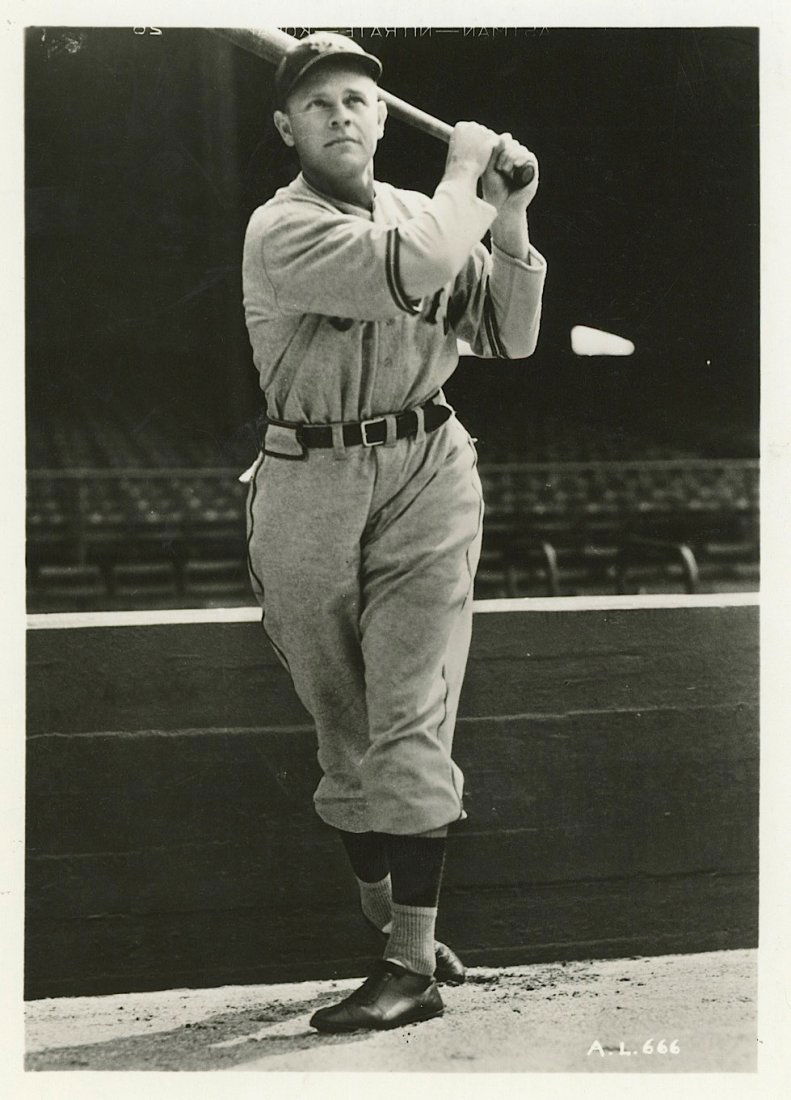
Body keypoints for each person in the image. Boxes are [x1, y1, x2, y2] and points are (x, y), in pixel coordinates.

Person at [242, 31, 546, 1032]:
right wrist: (465, 173)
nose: (339, 112)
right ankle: (389, 921)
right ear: (286, 127)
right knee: (346, 735)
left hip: (426, 470)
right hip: (307, 480)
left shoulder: (433, 215)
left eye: (356, 99)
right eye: (317, 100)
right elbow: (409, 269)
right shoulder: (279, 230)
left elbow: (505, 333)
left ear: (379, 119)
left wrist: (508, 220)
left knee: (412, 714)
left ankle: (407, 961)